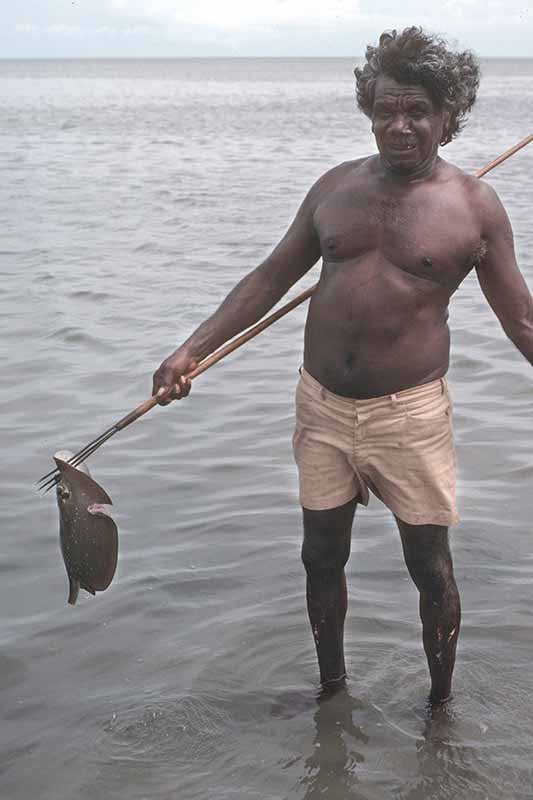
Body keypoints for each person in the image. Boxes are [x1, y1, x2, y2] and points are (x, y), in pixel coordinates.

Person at [152, 27, 533, 706]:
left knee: (428, 565)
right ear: (368, 108)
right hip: (321, 407)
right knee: (319, 556)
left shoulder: (474, 208)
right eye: (385, 109)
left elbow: (521, 320)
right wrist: (192, 349)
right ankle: (332, 693)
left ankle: (438, 708)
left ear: (448, 115)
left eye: (416, 111)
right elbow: (268, 278)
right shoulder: (334, 188)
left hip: (409, 415)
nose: (399, 126)